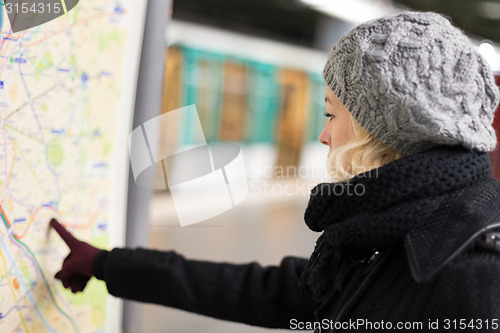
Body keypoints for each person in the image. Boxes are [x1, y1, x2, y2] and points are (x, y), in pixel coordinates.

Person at [50, 11, 500, 332]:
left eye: (331, 115)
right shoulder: (400, 230)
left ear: (383, 129)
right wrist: (109, 264)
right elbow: (278, 294)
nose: (324, 136)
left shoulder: (476, 278)